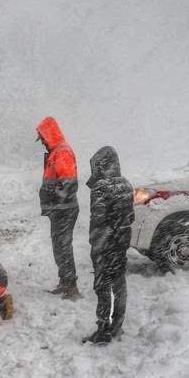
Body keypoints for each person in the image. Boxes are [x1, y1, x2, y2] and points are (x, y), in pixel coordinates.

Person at [83, 146, 135, 345]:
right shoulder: (126, 184)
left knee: (102, 286)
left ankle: (103, 329)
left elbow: (97, 220)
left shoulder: (101, 188)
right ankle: (117, 326)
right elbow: (131, 216)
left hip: (104, 244)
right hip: (121, 242)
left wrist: (96, 245)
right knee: (119, 284)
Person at [36, 116, 81, 300]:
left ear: (49, 134)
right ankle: (65, 283)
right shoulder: (56, 152)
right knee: (60, 248)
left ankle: (71, 288)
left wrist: (52, 195)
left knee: (63, 248)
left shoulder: (62, 152)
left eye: (43, 138)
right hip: (60, 210)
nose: (42, 143)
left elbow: (68, 185)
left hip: (64, 210)